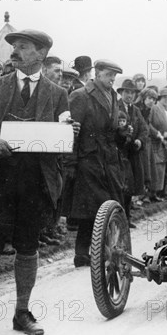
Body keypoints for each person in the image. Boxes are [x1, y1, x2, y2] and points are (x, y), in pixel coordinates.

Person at [0, 30, 79, 335]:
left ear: (40, 53)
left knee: (28, 248)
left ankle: (22, 312)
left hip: (35, 184)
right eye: (13, 47)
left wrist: (69, 133)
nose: (14, 51)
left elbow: (62, 141)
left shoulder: (58, 94)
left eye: (22, 47)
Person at [68, 59, 124, 268]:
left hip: (109, 160)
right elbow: (71, 133)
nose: (112, 80)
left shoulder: (113, 96)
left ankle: (91, 252)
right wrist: (71, 164)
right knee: (93, 206)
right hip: (88, 158)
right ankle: (87, 252)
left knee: (103, 205)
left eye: (114, 77)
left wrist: (121, 132)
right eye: (109, 75)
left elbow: (112, 128)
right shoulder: (81, 96)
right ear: (97, 73)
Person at [117, 79, 146, 227]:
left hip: (132, 154)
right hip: (119, 154)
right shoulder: (115, 107)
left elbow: (144, 129)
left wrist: (140, 140)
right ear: (121, 93)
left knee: (129, 188)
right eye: (127, 92)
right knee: (120, 187)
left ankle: (127, 218)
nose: (130, 95)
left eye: (132, 93)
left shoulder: (136, 110)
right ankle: (118, 219)